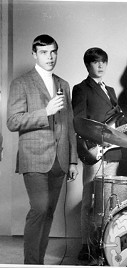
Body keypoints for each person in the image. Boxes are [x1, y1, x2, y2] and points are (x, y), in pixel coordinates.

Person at [72, 47, 127, 263]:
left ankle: (103, 243)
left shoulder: (112, 91)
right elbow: (78, 122)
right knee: (89, 200)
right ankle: (86, 245)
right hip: (94, 152)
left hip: (112, 154)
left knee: (107, 201)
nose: (100, 66)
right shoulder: (81, 89)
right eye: (95, 62)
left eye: (103, 62)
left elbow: (119, 123)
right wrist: (90, 147)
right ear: (88, 65)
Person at [6, 34, 78, 264]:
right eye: (44, 52)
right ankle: (31, 263)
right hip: (34, 158)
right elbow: (13, 121)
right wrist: (44, 112)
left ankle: (38, 263)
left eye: (53, 51)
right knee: (39, 210)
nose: (50, 56)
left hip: (60, 159)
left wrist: (73, 160)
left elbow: (69, 123)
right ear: (34, 54)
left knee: (48, 214)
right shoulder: (21, 83)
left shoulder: (63, 84)